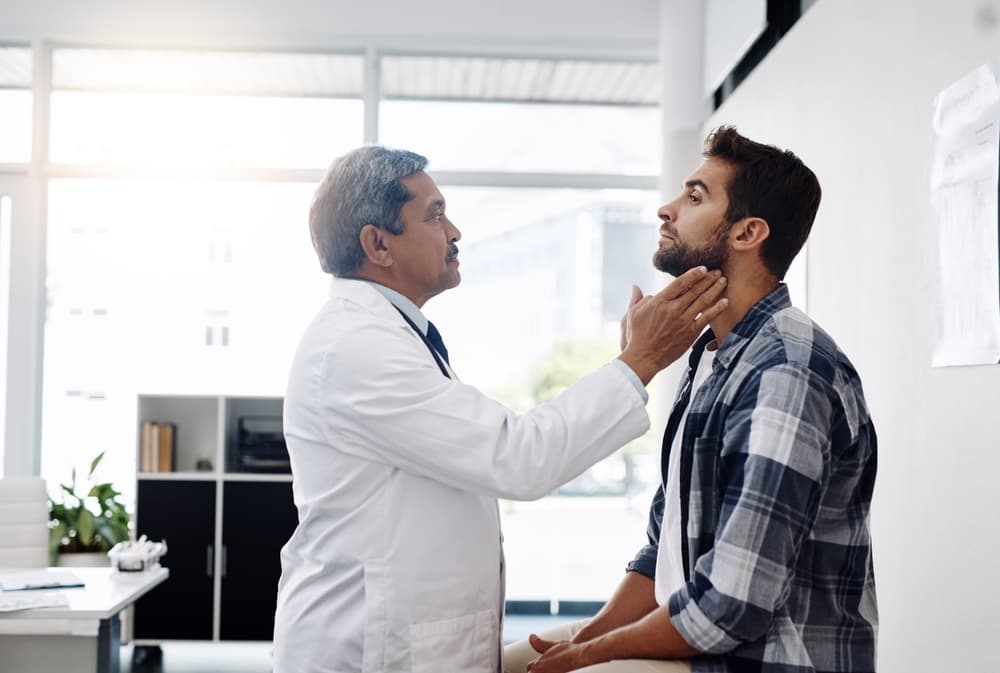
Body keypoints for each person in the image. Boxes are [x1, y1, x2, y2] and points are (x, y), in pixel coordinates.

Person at [271, 145, 730, 673]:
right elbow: (516, 456)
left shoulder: (384, 336)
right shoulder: (356, 347)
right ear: (377, 244)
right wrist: (639, 360)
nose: (455, 232)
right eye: (435, 215)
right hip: (368, 650)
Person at [505, 127, 878, 673]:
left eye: (694, 196)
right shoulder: (711, 354)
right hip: (706, 644)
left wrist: (590, 653)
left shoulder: (786, 372)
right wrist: (588, 635)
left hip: (761, 659)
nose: (666, 209)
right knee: (509, 666)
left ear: (747, 233)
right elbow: (666, 545)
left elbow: (730, 606)